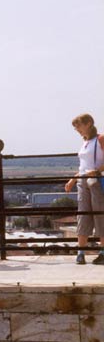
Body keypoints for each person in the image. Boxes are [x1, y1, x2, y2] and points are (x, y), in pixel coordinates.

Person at [64, 113, 104, 265]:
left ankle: (102, 252)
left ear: (88, 123)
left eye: (78, 125)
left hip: (96, 181)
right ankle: (80, 252)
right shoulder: (86, 142)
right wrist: (73, 180)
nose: (77, 129)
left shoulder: (100, 139)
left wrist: (98, 171)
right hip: (83, 180)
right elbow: (84, 167)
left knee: (100, 215)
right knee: (83, 215)